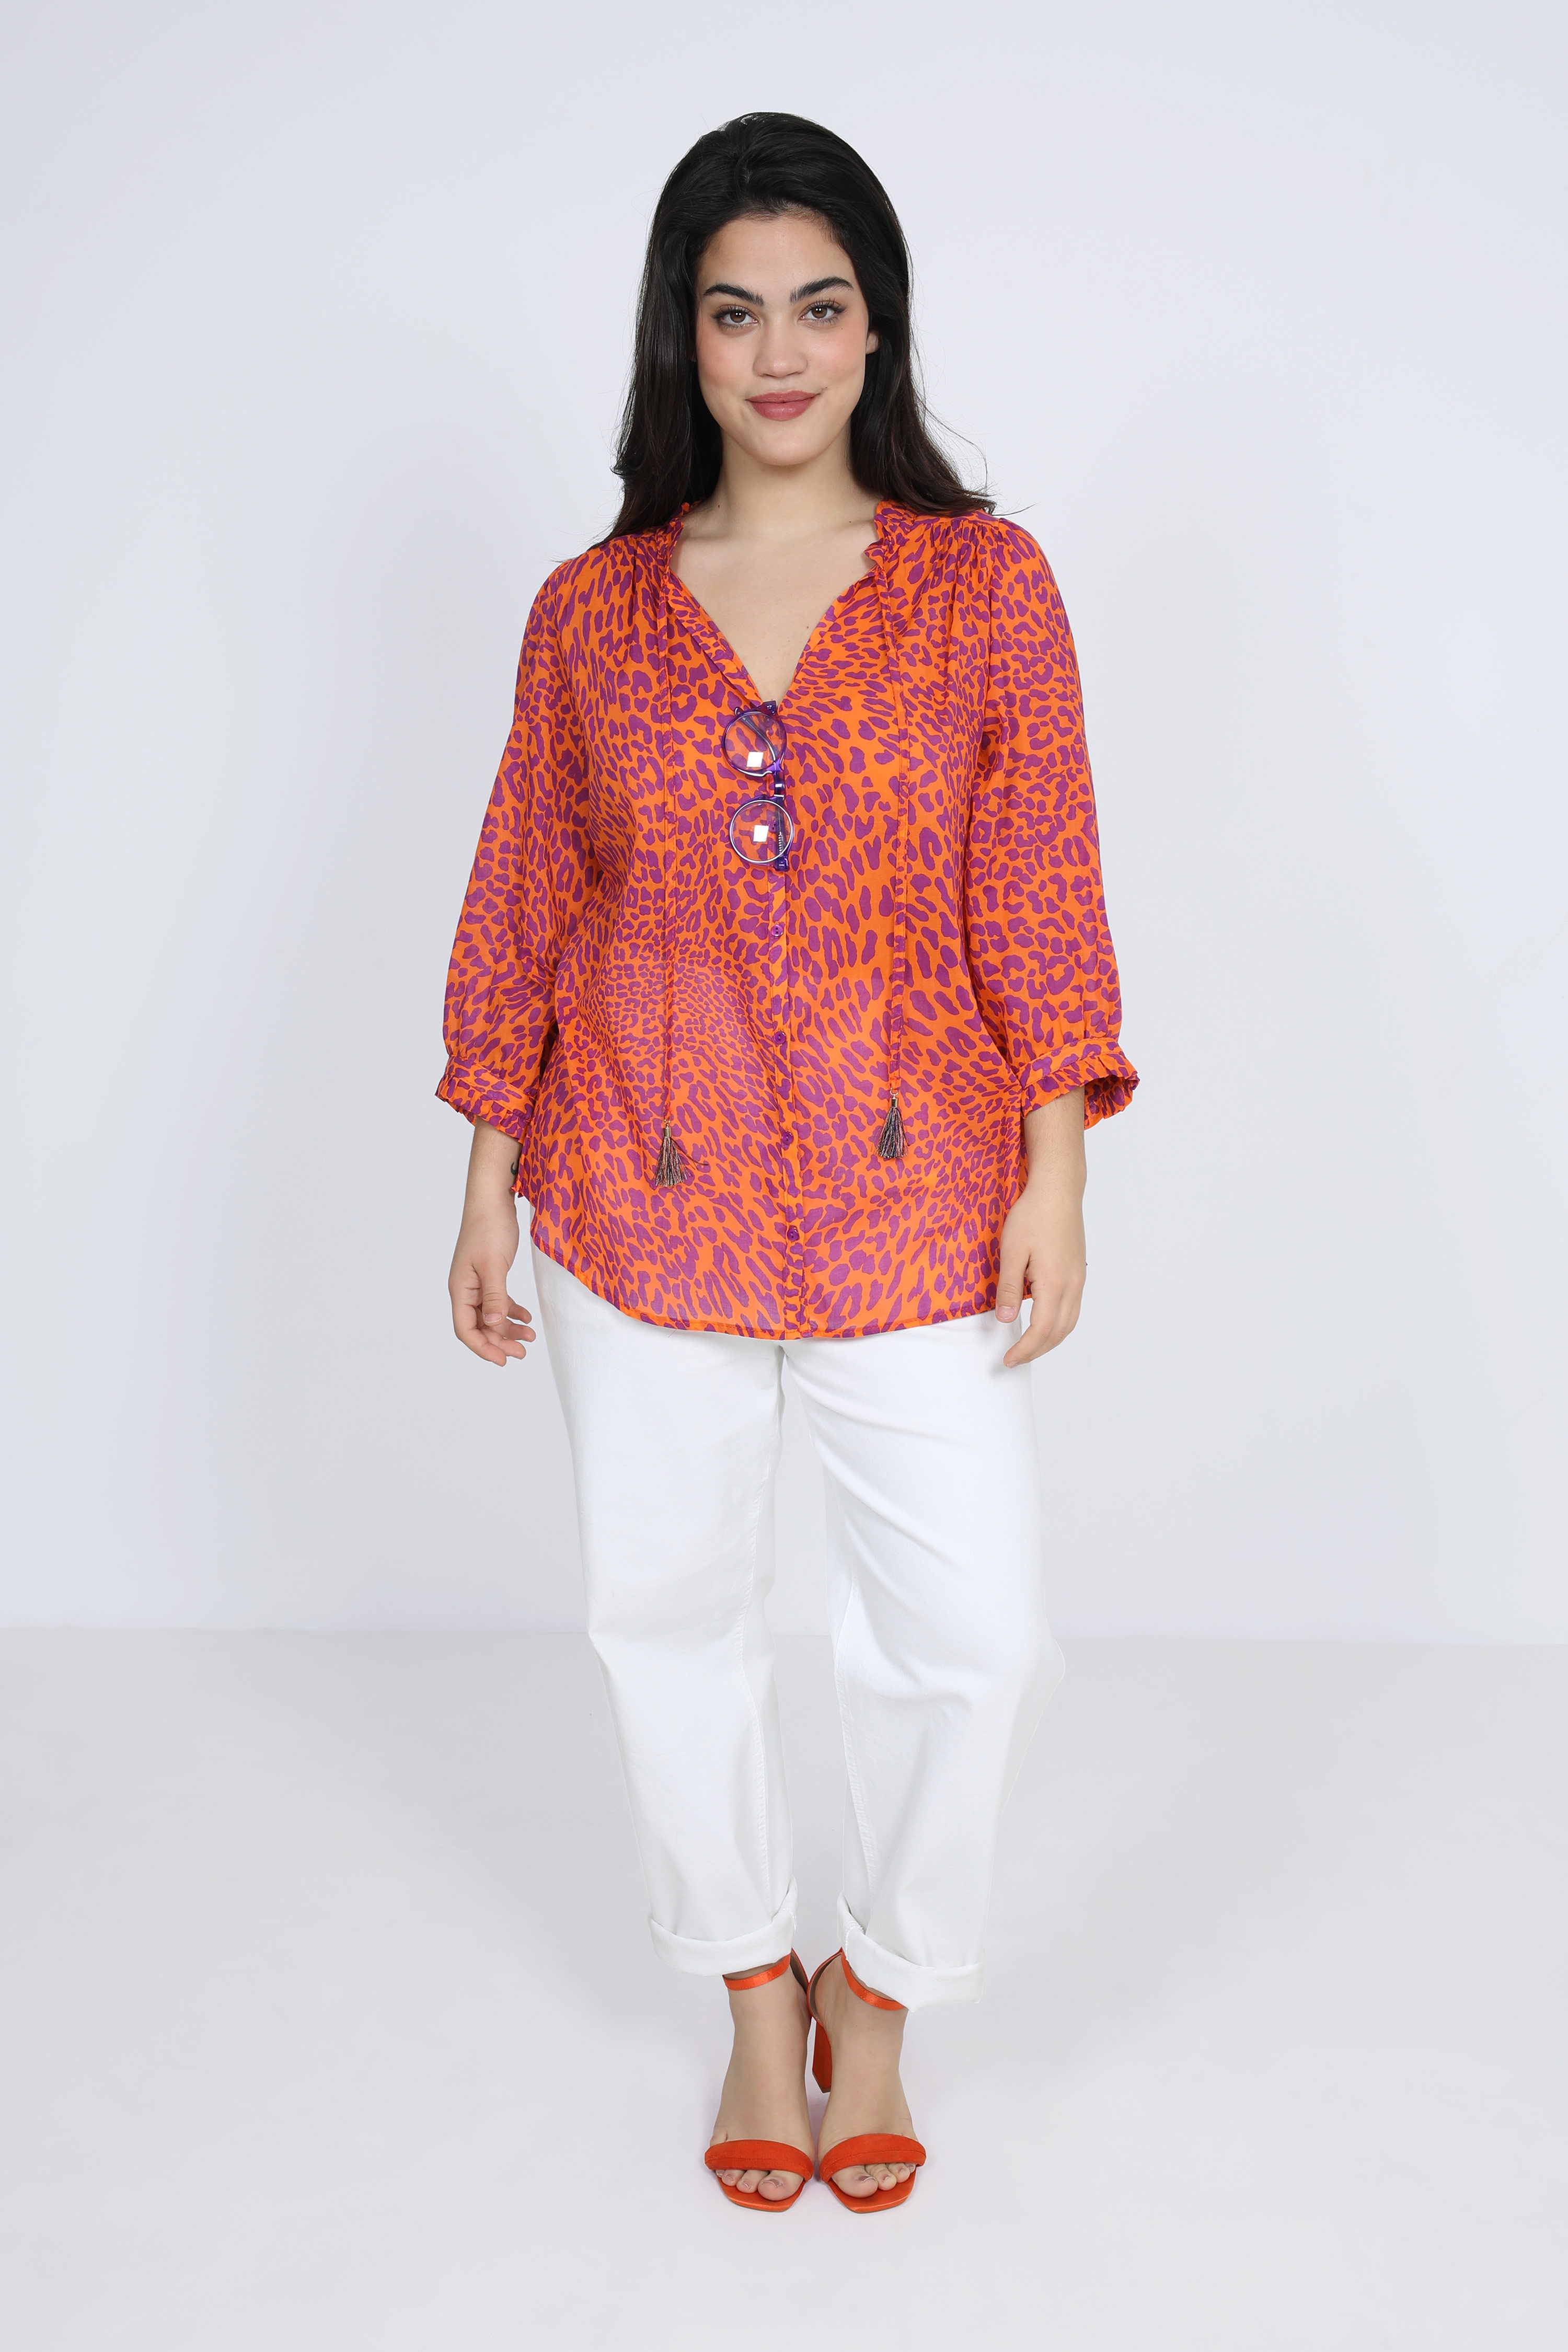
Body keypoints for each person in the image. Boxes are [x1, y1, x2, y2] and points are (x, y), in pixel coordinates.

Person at [437, 112, 1136, 2215]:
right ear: (685, 335)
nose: (778, 354)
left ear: (878, 327)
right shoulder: (593, 613)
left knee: (978, 1636)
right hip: (633, 1187)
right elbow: (528, 888)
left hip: (917, 1192)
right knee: (665, 1609)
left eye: (819, 307)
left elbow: (1036, 882)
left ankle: (882, 1986)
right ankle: (756, 1991)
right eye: (734, 311)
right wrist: (484, 1178)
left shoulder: (982, 587)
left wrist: (1057, 1170)